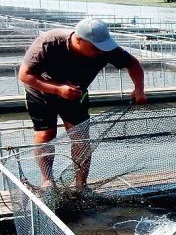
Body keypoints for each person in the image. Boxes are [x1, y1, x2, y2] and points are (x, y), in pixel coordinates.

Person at [18, 17, 146, 189]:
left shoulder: (106, 49)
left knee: (81, 137)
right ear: (78, 40)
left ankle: (81, 185)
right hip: (42, 90)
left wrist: (139, 89)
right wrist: (58, 89)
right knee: (46, 135)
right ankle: (48, 181)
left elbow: (133, 64)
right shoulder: (49, 42)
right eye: (95, 48)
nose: (101, 52)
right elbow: (25, 75)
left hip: (76, 93)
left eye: (103, 47)